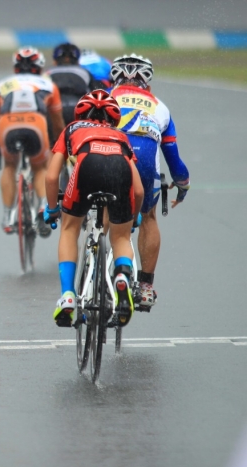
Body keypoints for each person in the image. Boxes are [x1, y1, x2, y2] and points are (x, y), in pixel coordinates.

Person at [43, 90, 144, 326]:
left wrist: (51, 209)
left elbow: (50, 177)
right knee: (121, 238)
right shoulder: (120, 135)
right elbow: (138, 190)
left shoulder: (72, 129)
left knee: (69, 229)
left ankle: (68, 296)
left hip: (87, 163)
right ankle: (122, 275)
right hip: (119, 166)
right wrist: (134, 216)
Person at [109, 53, 190, 307]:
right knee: (149, 217)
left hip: (108, 156)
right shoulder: (160, 107)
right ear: (148, 83)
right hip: (144, 164)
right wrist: (183, 186)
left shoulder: (104, 98)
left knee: (103, 207)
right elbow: (174, 160)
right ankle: (145, 286)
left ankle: (95, 256)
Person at [0, 47, 65, 237]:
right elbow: (57, 122)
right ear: (39, 67)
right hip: (35, 126)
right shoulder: (49, 85)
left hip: (8, 126)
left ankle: (7, 217)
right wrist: (59, 142)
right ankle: (41, 208)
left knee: (9, 166)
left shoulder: (0, 86)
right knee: (40, 168)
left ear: (15, 68)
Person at [46, 42, 96, 126]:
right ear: (78, 61)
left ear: (55, 60)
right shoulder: (85, 73)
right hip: (78, 110)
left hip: (55, 112)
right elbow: (94, 95)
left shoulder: (47, 74)